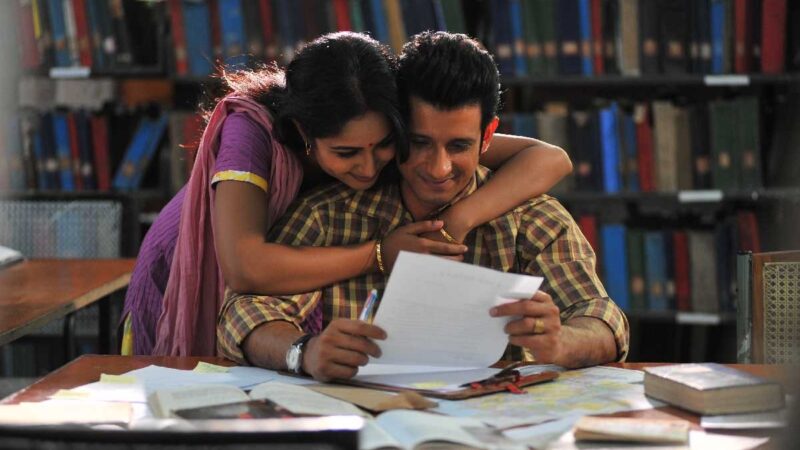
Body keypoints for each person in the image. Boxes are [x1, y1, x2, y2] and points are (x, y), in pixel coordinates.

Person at [121, 32, 573, 356]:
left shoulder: (420, 139)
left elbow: (550, 158)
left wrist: (456, 221)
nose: (369, 167)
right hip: (190, 268)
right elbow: (244, 267)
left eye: (385, 145)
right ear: (304, 134)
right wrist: (380, 254)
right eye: (346, 153)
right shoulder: (251, 133)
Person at [217, 31, 629, 381]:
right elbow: (241, 310)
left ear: (488, 137)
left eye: (460, 146)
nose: (438, 168)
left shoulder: (532, 217)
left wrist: (562, 342)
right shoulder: (328, 213)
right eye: (419, 143)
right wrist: (303, 352)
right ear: (395, 128)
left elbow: (603, 320)